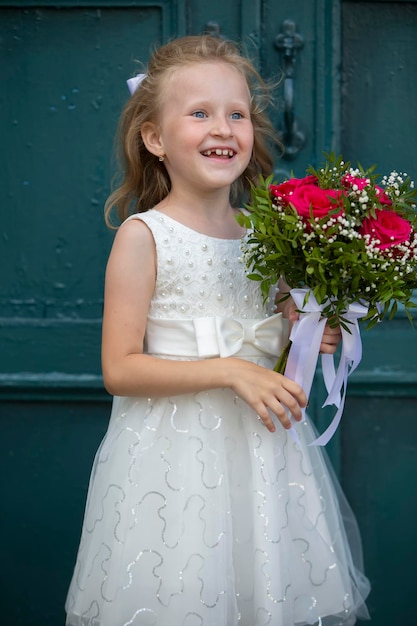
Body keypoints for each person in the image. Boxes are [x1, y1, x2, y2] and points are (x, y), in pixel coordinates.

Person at [65, 35, 370, 626]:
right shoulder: (144, 235)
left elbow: (269, 345)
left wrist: (302, 336)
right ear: (154, 138)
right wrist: (231, 370)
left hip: (262, 454)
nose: (222, 128)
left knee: (263, 592)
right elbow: (120, 369)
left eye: (237, 114)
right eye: (199, 113)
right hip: (173, 460)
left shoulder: (267, 236)